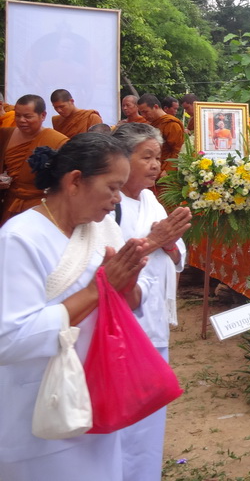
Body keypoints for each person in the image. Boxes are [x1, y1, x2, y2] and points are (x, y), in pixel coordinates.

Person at [0, 133, 148, 480]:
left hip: (97, 397)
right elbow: (10, 338)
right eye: (112, 187)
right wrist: (98, 290)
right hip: (40, 409)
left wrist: (126, 289)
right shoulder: (20, 238)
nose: (117, 199)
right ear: (75, 181)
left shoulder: (101, 229)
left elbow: (132, 299)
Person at [111, 124, 192, 481]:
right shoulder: (110, 205)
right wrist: (157, 239)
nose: (156, 165)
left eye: (157, 157)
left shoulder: (148, 198)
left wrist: (170, 243)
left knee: (149, 418)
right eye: (146, 157)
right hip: (124, 322)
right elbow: (111, 260)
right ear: (120, 159)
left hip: (153, 318)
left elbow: (175, 251)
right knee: (124, 419)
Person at [0, 95, 69, 223]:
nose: (21, 120)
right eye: (17, 115)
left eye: (27, 116)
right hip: (10, 205)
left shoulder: (57, 141)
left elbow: (66, 181)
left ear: (43, 116)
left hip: (42, 207)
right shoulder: (5, 135)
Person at [136, 95, 184, 177]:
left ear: (155, 107)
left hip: (165, 172)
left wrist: (168, 170)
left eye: (145, 112)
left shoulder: (171, 124)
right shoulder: (151, 123)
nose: (143, 115)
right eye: (141, 113)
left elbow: (177, 149)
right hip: (153, 167)